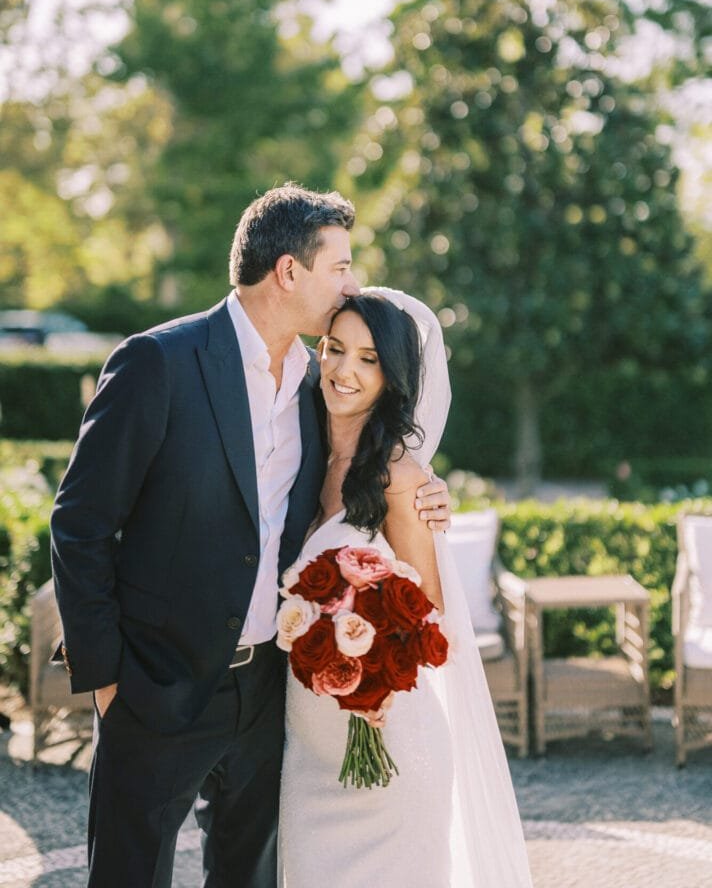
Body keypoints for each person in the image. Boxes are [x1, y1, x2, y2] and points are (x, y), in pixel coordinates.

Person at [50, 185, 451, 888]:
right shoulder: (159, 363)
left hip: (269, 691)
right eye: (341, 267)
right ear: (290, 272)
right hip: (156, 685)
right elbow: (80, 525)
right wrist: (108, 679)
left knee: (251, 877)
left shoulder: (312, 384)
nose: (352, 283)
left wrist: (426, 495)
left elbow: (357, 473)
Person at [279, 291, 533, 888]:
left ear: (393, 379)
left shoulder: (401, 479)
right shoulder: (296, 456)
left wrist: (369, 663)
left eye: (368, 359)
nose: (344, 371)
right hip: (307, 745)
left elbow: (432, 620)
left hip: (388, 741)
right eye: (334, 349)